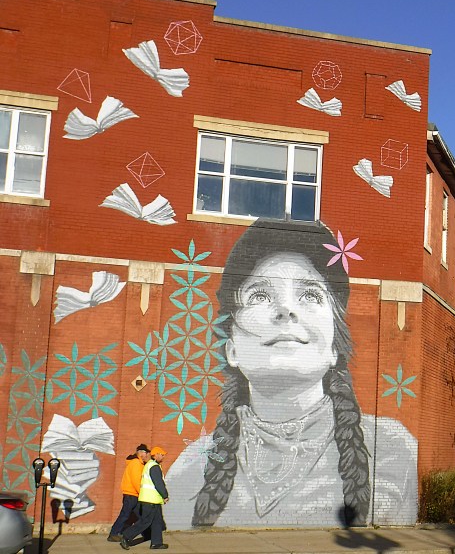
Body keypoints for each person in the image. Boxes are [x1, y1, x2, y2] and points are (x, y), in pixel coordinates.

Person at [164, 220, 417, 529]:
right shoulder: (188, 472)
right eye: (259, 295)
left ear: (335, 347)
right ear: (232, 350)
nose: (285, 308)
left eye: (310, 295)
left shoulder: (392, 451)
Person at [120, 446, 169, 550]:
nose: (163, 457)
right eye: (162, 454)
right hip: (150, 500)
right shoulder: (154, 466)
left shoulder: (149, 465)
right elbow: (158, 483)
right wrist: (165, 495)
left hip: (153, 500)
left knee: (157, 522)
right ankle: (126, 536)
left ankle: (156, 543)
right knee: (145, 522)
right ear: (156, 455)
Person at [108, 444, 150, 542]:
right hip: (132, 494)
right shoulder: (136, 463)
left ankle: (146, 533)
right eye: (144, 452)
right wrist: (142, 493)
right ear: (139, 452)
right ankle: (113, 534)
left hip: (132, 494)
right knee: (125, 515)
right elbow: (136, 480)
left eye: (146, 453)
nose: (145, 455)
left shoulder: (138, 463)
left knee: (138, 515)